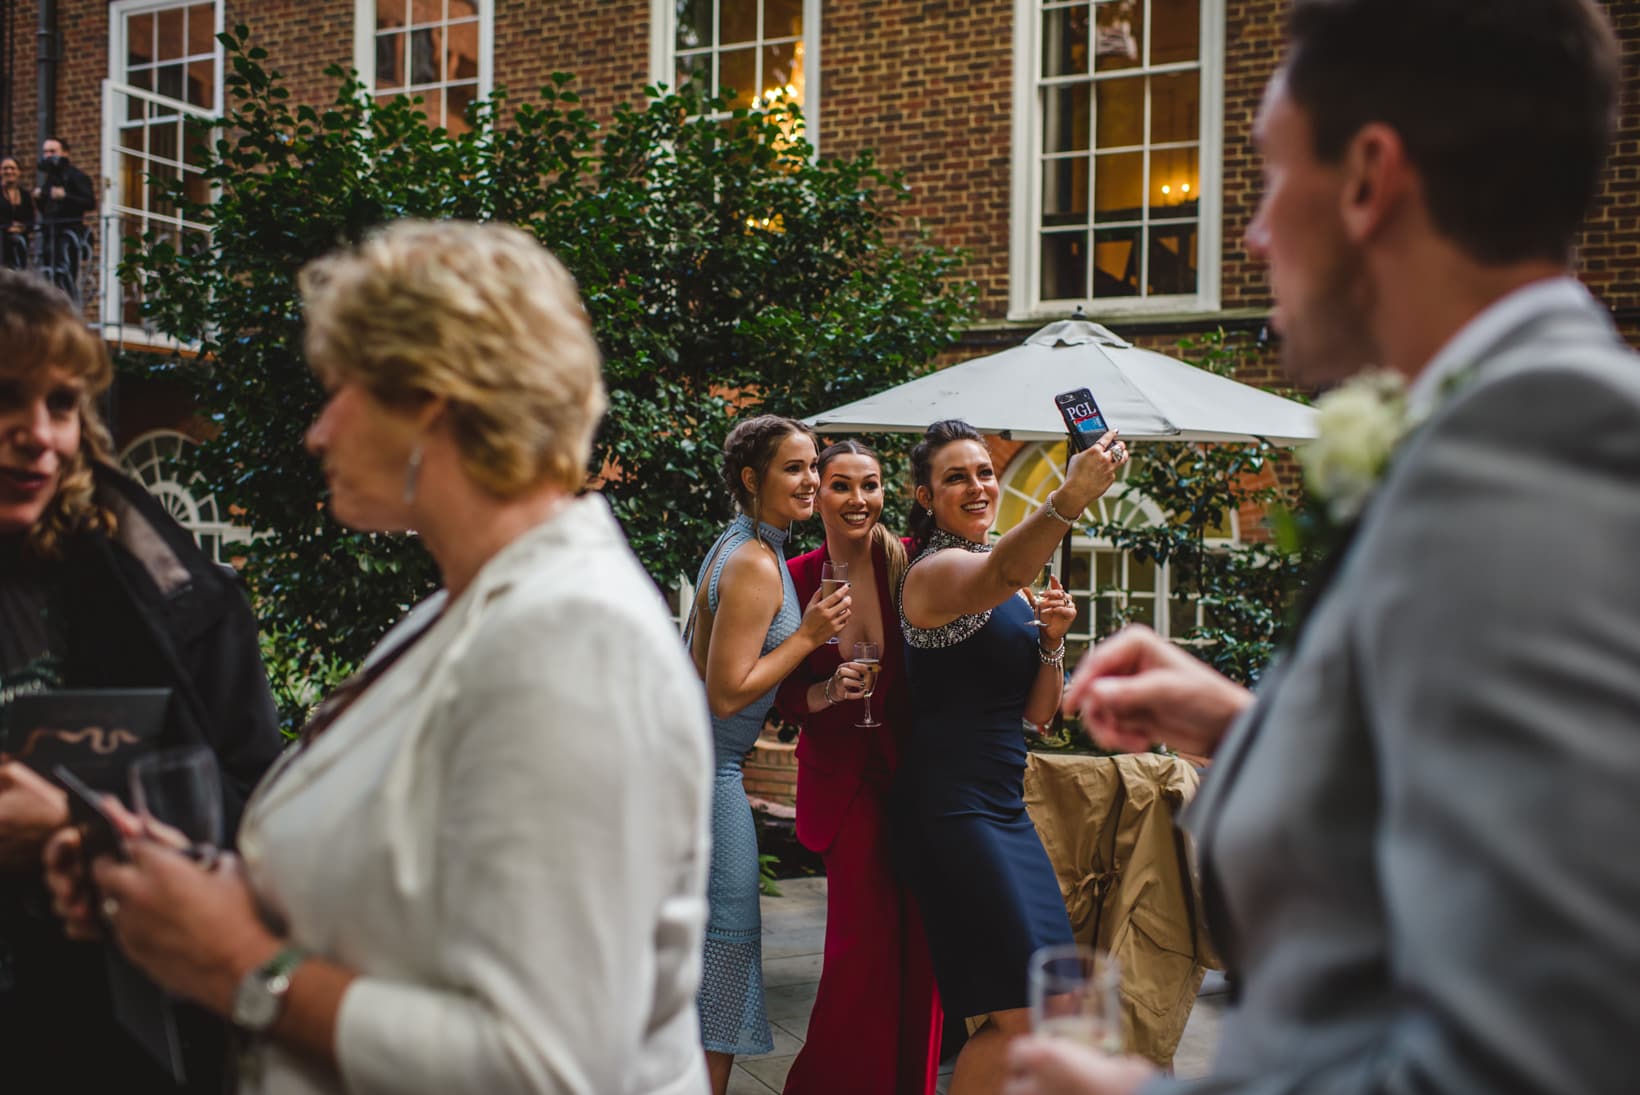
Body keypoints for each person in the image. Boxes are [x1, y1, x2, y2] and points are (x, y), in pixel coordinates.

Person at [1007, 1, 1640, 1093]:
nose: (1248, 235)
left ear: (1367, 180)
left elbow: (1542, 1050)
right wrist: (1248, 724)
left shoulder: (1538, 453)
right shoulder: (1490, 428)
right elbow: (1461, 825)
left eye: (1261, 177)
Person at [45, 220, 715, 1095]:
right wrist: (169, 891)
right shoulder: (463, 606)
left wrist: (241, 964)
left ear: (431, 398)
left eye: (338, 391)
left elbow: (547, 1068)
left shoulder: (574, 639)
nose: (318, 433)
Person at [0, 268, 284, 1092]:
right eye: (7, 398)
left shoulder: (172, 592)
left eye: (60, 404)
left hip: (122, 1043)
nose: (38, 434)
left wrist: (81, 821)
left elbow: (255, 817)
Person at [895, 418, 1128, 1095]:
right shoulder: (935, 572)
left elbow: (1037, 713)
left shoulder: (1009, 578)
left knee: (1054, 1001)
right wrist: (1069, 497)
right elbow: (1002, 568)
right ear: (925, 496)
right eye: (956, 476)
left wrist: (1053, 639)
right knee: (1020, 1014)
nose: (978, 485)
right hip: (951, 806)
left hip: (1005, 805)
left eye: (984, 472)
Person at [686, 413, 849, 1095]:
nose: (812, 479)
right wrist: (810, 635)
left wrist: (819, 695)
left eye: (814, 465)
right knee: (723, 957)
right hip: (707, 774)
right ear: (752, 479)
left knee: (697, 962)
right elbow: (726, 693)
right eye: (794, 467)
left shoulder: (749, 544)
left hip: (694, 768)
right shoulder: (755, 561)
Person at [773, 439, 943, 1095]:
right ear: (817, 493)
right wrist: (825, 689)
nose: (857, 499)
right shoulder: (792, 577)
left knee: (922, 950)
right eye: (840, 485)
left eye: (869, 484)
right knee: (863, 952)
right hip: (847, 787)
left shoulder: (907, 562)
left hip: (918, 779)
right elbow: (782, 690)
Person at [34, 138, 95, 302]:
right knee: (48, 276)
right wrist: (40, 198)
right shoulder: (50, 178)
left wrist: (66, 196)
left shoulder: (76, 176)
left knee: (65, 275)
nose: (48, 156)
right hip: (50, 234)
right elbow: (47, 210)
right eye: (45, 152)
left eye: (52, 151)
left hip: (69, 234)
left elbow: (90, 202)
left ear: (65, 153)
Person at [0, 157, 34, 270]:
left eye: (12, 168)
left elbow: (31, 218)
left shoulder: (25, 195)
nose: (9, 171)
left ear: (18, 172)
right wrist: (8, 226)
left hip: (19, 244)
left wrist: (22, 227)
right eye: (5, 168)